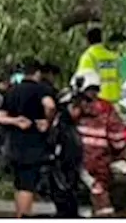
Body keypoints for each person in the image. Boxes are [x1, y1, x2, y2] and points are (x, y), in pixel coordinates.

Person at [0, 62, 57, 218]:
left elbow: (0, 117)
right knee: (27, 185)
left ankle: (19, 215)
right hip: (33, 144)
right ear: (37, 73)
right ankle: (24, 217)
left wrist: (16, 121)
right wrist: (47, 122)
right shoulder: (41, 89)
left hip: (13, 144)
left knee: (18, 183)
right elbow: (50, 106)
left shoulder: (12, 90)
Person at [71, 69, 126, 217]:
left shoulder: (72, 107)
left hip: (74, 161)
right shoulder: (107, 108)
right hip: (100, 162)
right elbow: (117, 139)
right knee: (101, 199)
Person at [47, 88, 88, 218]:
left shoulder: (67, 127)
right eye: (76, 106)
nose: (80, 110)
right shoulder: (62, 129)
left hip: (69, 181)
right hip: (63, 181)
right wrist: (64, 183)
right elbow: (58, 157)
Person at [78, 27, 123, 104]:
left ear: (87, 40)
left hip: (98, 103)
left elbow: (82, 83)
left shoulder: (88, 57)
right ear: (101, 39)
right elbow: (123, 77)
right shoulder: (113, 56)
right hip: (116, 102)